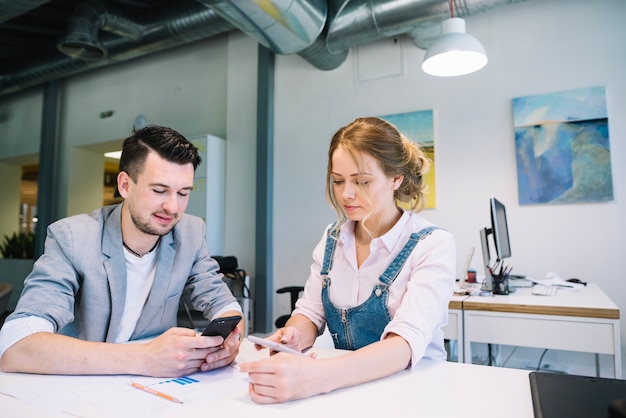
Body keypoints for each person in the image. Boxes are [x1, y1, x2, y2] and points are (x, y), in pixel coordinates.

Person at [240, 116, 456, 403]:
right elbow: (310, 313)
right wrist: (293, 335)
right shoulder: (332, 238)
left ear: (396, 178)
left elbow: (404, 344)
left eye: (362, 181)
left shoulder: (432, 244)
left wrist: (316, 377)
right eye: (338, 181)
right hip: (349, 388)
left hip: (414, 392)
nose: (346, 194)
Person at [0, 124, 243, 377]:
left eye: (183, 193)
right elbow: (16, 345)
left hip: (148, 391)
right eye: (159, 190)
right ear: (125, 185)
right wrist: (144, 359)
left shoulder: (190, 233)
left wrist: (231, 341)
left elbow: (223, 304)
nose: (172, 207)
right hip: (77, 387)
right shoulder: (73, 237)